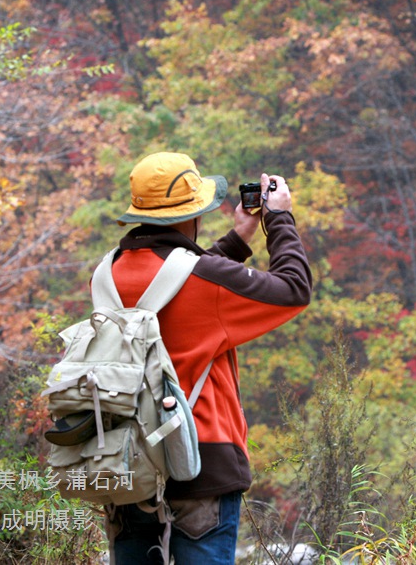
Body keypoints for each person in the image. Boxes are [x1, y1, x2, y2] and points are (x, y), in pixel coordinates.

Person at [104, 152, 312, 564]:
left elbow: (175, 285)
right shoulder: (206, 278)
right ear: (192, 213)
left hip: (126, 459)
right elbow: (293, 288)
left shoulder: (108, 272)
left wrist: (237, 240)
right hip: (201, 461)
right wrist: (279, 221)